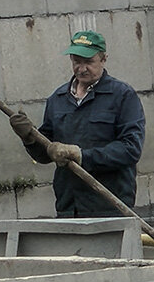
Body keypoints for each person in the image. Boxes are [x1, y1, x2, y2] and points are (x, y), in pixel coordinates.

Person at [9, 31, 146, 217]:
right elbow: (45, 154)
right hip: (68, 206)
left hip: (109, 206)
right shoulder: (58, 99)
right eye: (76, 62)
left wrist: (83, 156)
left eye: (88, 62)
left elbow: (131, 149)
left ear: (104, 59)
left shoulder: (122, 96)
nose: (82, 68)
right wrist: (29, 138)